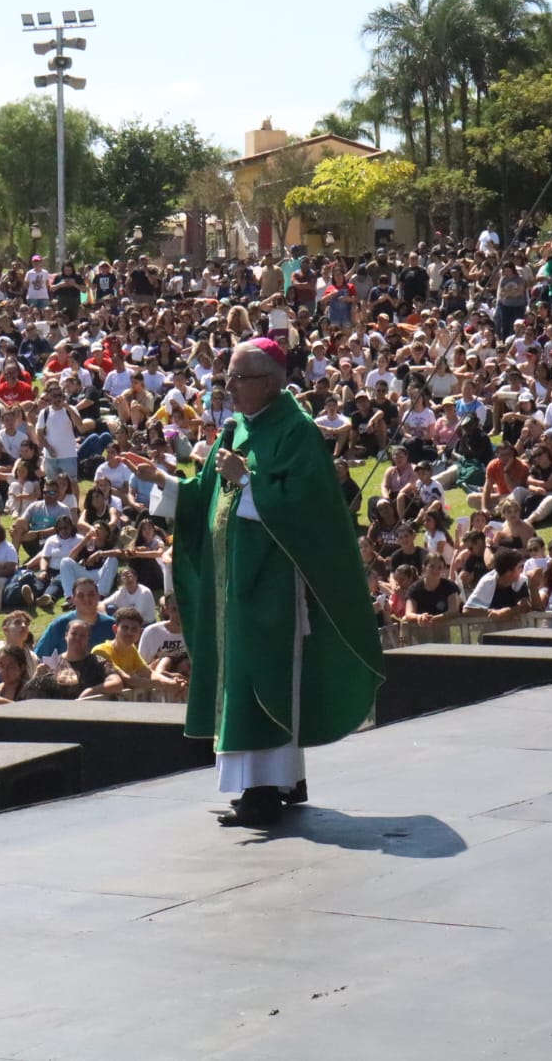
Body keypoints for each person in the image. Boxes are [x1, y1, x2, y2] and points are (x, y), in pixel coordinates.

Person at [131, 338, 383, 827]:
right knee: (239, 680)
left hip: (272, 580)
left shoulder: (297, 431)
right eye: (226, 378)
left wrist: (248, 481)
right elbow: (208, 494)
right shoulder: (237, 428)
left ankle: (265, 789)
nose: (229, 388)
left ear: (270, 381)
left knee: (263, 677)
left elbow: (306, 505)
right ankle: (265, 783)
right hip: (232, 581)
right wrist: (165, 483)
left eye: (238, 379)